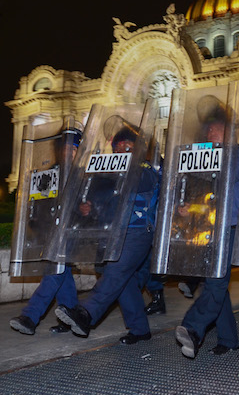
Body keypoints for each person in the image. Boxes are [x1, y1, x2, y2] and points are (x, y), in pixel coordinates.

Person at [56, 122, 161, 345]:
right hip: (114, 233)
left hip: (138, 232)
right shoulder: (110, 173)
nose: (122, 150)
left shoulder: (145, 172)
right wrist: (89, 207)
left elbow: (132, 186)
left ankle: (87, 313)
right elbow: (100, 201)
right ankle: (139, 329)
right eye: (118, 146)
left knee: (115, 274)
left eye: (127, 146)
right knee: (124, 282)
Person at [175, 105, 239, 358]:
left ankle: (193, 329)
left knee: (216, 283)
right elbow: (210, 201)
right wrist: (189, 209)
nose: (210, 133)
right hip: (212, 228)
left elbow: (232, 177)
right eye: (208, 129)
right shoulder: (211, 159)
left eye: (216, 128)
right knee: (215, 282)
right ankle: (228, 338)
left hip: (231, 228)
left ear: (229, 132)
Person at [10, 129, 82, 335]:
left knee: (54, 273)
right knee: (62, 273)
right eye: (66, 148)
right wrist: (35, 225)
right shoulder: (51, 172)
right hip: (51, 234)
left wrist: (86, 210)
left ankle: (30, 316)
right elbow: (38, 204)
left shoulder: (83, 174)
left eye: (74, 149)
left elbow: (93, 205)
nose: (69, 153)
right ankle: (71, 315)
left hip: (72, 233)